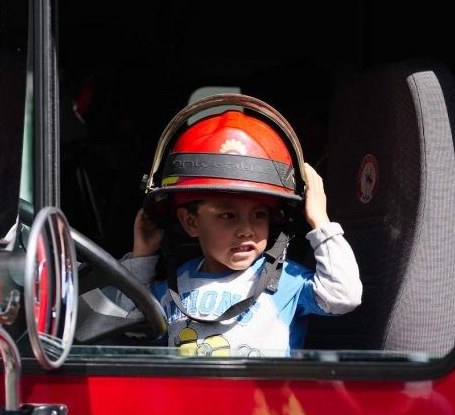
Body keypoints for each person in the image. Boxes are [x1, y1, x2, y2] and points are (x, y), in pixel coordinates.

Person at [121, 106, 362, 357]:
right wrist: (142, 257)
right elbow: (125, 322)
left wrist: (320, 221)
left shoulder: (282, 282)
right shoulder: (174, 288)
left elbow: (343, 297)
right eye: (228, 215)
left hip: (263, 398)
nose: (246, 229)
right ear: (190, 222)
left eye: (259, 215)